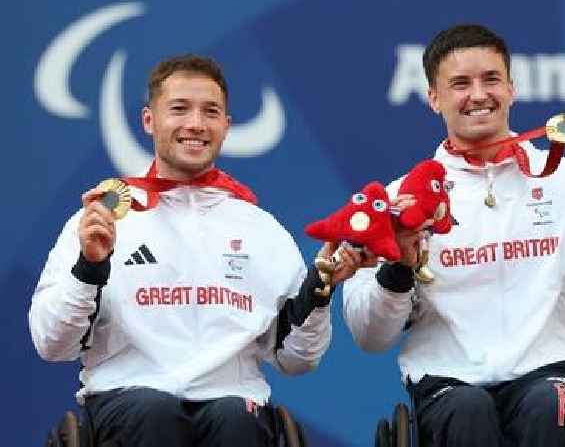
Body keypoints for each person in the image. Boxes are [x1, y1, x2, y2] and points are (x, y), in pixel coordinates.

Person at [342, 24, 565, 447]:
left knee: (545, 407)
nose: (478, 95)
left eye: (491, 79)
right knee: (468, 411)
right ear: (433, 98)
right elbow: (371, 336)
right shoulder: (400, 202)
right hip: (448, 385)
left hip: (548, 376)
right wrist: (400, 269)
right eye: (460, 84)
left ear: (512, 89)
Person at [29, 54, 365, 447]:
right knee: (152, 410)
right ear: (149, 121)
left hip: (234, 407)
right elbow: (53, 344)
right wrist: (89, 266)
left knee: (234, 417)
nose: (195, 124)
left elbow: (296, 359)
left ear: (226, 126)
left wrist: (319, 288)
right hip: (128, 399)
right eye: (179, 109)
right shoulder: (101, 220)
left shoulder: (260, 228)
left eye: (210, 111)